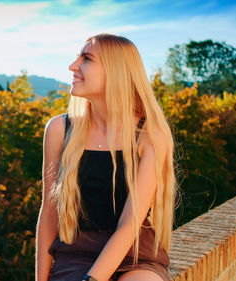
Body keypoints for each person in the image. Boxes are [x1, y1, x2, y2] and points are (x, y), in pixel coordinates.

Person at [35, 34, 177, 281]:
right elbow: (49, 213)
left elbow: (129, 223)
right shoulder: (59, 130)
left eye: (86, 58)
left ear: (116, 71)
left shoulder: (149, 136)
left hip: (136, 255)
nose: (73, 66)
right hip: (77, 254)